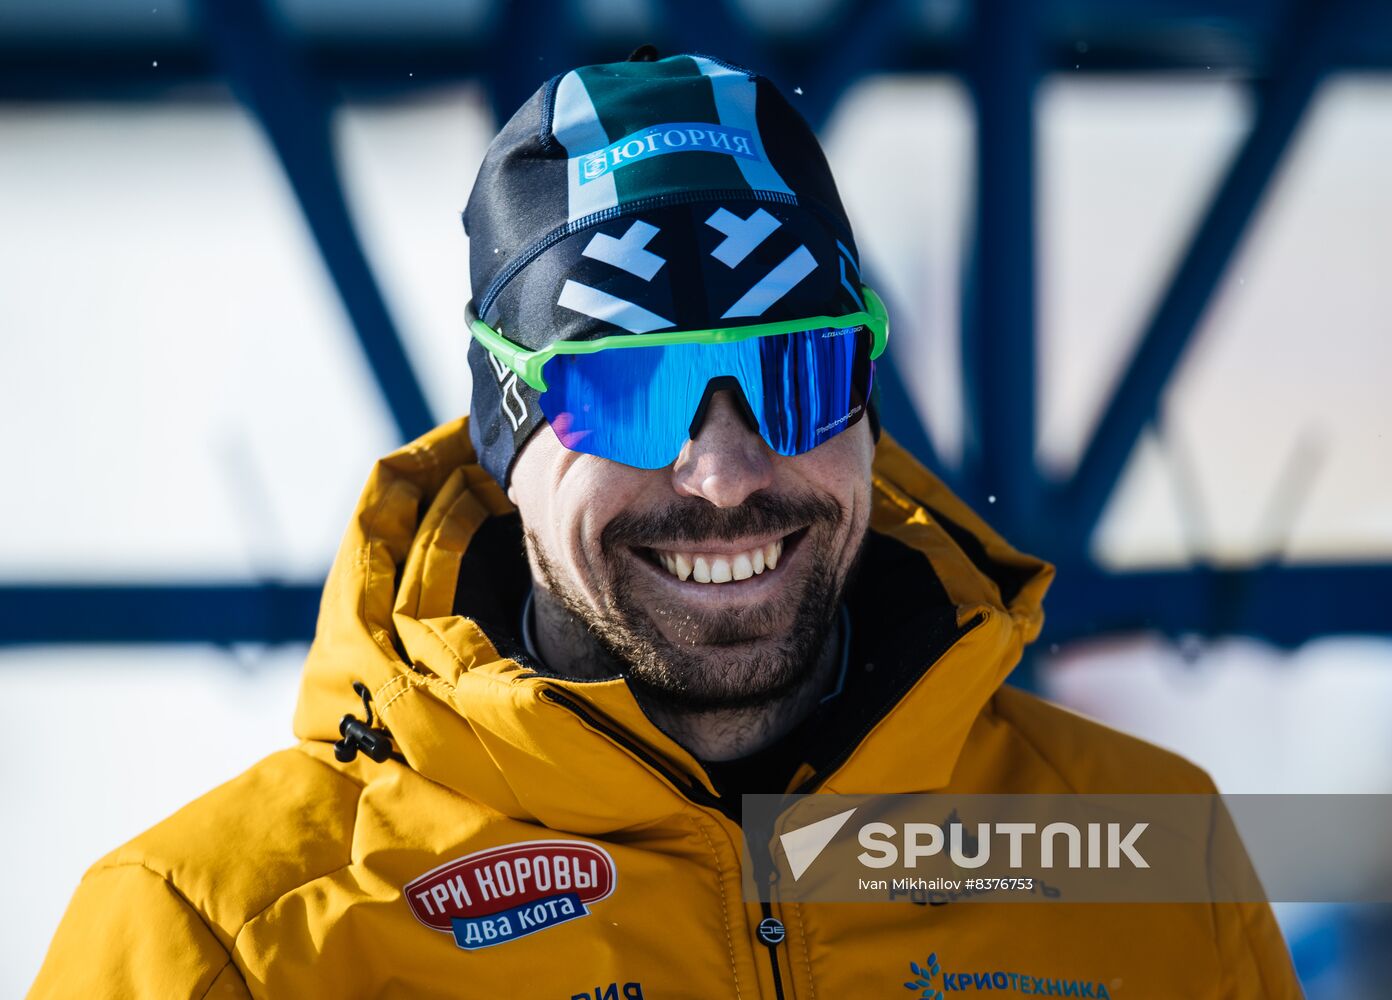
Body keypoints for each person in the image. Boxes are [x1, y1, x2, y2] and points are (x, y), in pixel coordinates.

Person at [32, 50, 1300, 999]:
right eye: (628, 394)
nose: (724, 473)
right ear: (504, 437)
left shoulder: (1150, 861)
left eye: (795, 372)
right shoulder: (221, 937)